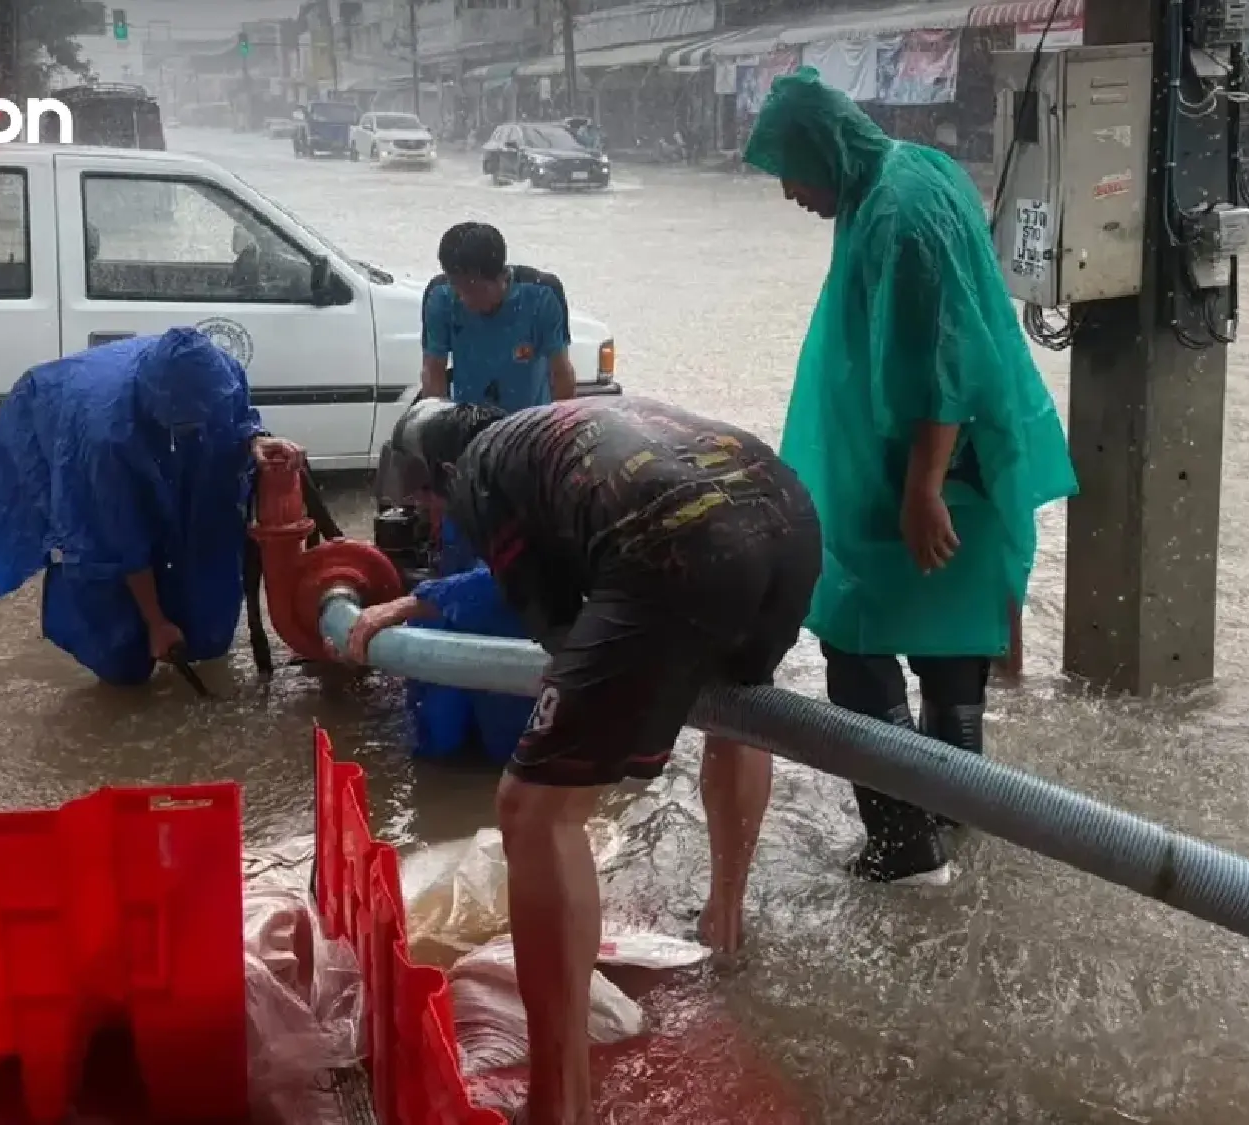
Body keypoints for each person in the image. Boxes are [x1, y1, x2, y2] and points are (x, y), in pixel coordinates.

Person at [344, 396, 820, 1125]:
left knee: (533, 808)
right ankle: (725, 927)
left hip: (679, 540)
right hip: (787, 517)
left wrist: (590, 702)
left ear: (442, 472)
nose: (429, 510)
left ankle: (558, 1102)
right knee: (738, 708)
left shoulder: (478, 474)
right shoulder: (552, 429)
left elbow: (554, 623)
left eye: (425, 497)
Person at [743, 68, 1078, 885]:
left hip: (930, 466)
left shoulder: (900, 212)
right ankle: (957, 816)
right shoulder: (904, 171)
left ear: (824, 150)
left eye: (791, 170)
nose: (789, 192)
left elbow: (942, 357)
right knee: (951, 634)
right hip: (924, 460)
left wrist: (922, 486)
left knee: (854, 638)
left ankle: (905, 844)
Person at [0, 327, 298, 686]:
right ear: (161, 409)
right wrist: (156, 622)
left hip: (141, 419)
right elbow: (119, 538)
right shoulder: (105, 438)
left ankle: (193, 637)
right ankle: (130, 656)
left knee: (207, 605)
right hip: (66, 423)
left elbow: (234, 420)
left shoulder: (222, 374)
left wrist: (256, 440)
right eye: (189, 421)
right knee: (120, 650)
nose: (200, 425)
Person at [422, 221, 576, 410]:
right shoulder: (440, 297)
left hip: (528, 420)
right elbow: (433, 372)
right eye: (457, 289)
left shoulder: (542, 295)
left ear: (501, 277)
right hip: (468, 422)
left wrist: (557, 429)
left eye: (473, 290)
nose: (464, 299)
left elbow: (560, 373)